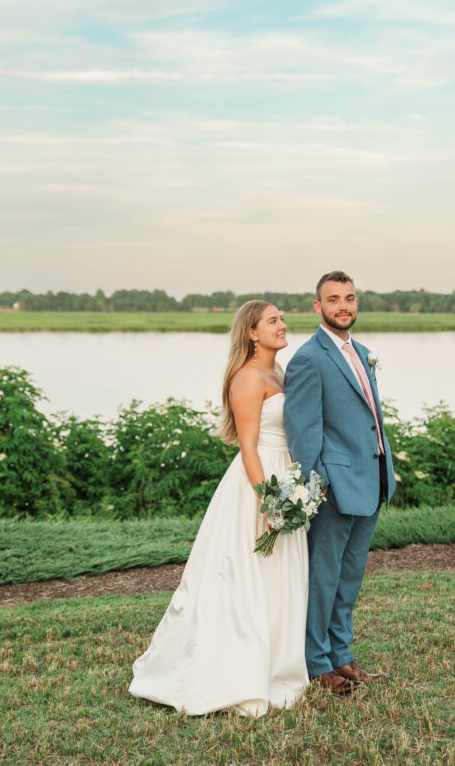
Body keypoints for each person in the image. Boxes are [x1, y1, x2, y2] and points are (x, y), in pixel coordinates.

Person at [129, 301, 309, 717]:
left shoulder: (279, 372)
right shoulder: (246, 378)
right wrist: (269, 499)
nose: (283, 326)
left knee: (279, 578)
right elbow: (247, 445)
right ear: (251, 332)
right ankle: (232, 671)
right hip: (259, 482)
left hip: (286, 475)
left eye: (282, 319)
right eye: (273, 321)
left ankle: (278, 664)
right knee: (244, 579)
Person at [283, 271, 396, 696]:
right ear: (318, 307)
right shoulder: (309, 358)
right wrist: (319, 482)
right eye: (333, 300)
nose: (343, 306)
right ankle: (317, 664)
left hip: (372, 480)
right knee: (324, 579)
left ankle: (342, 657)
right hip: (332, 488)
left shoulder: (362, 351)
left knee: (350, 577)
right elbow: (302, 431)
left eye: (349, 298)